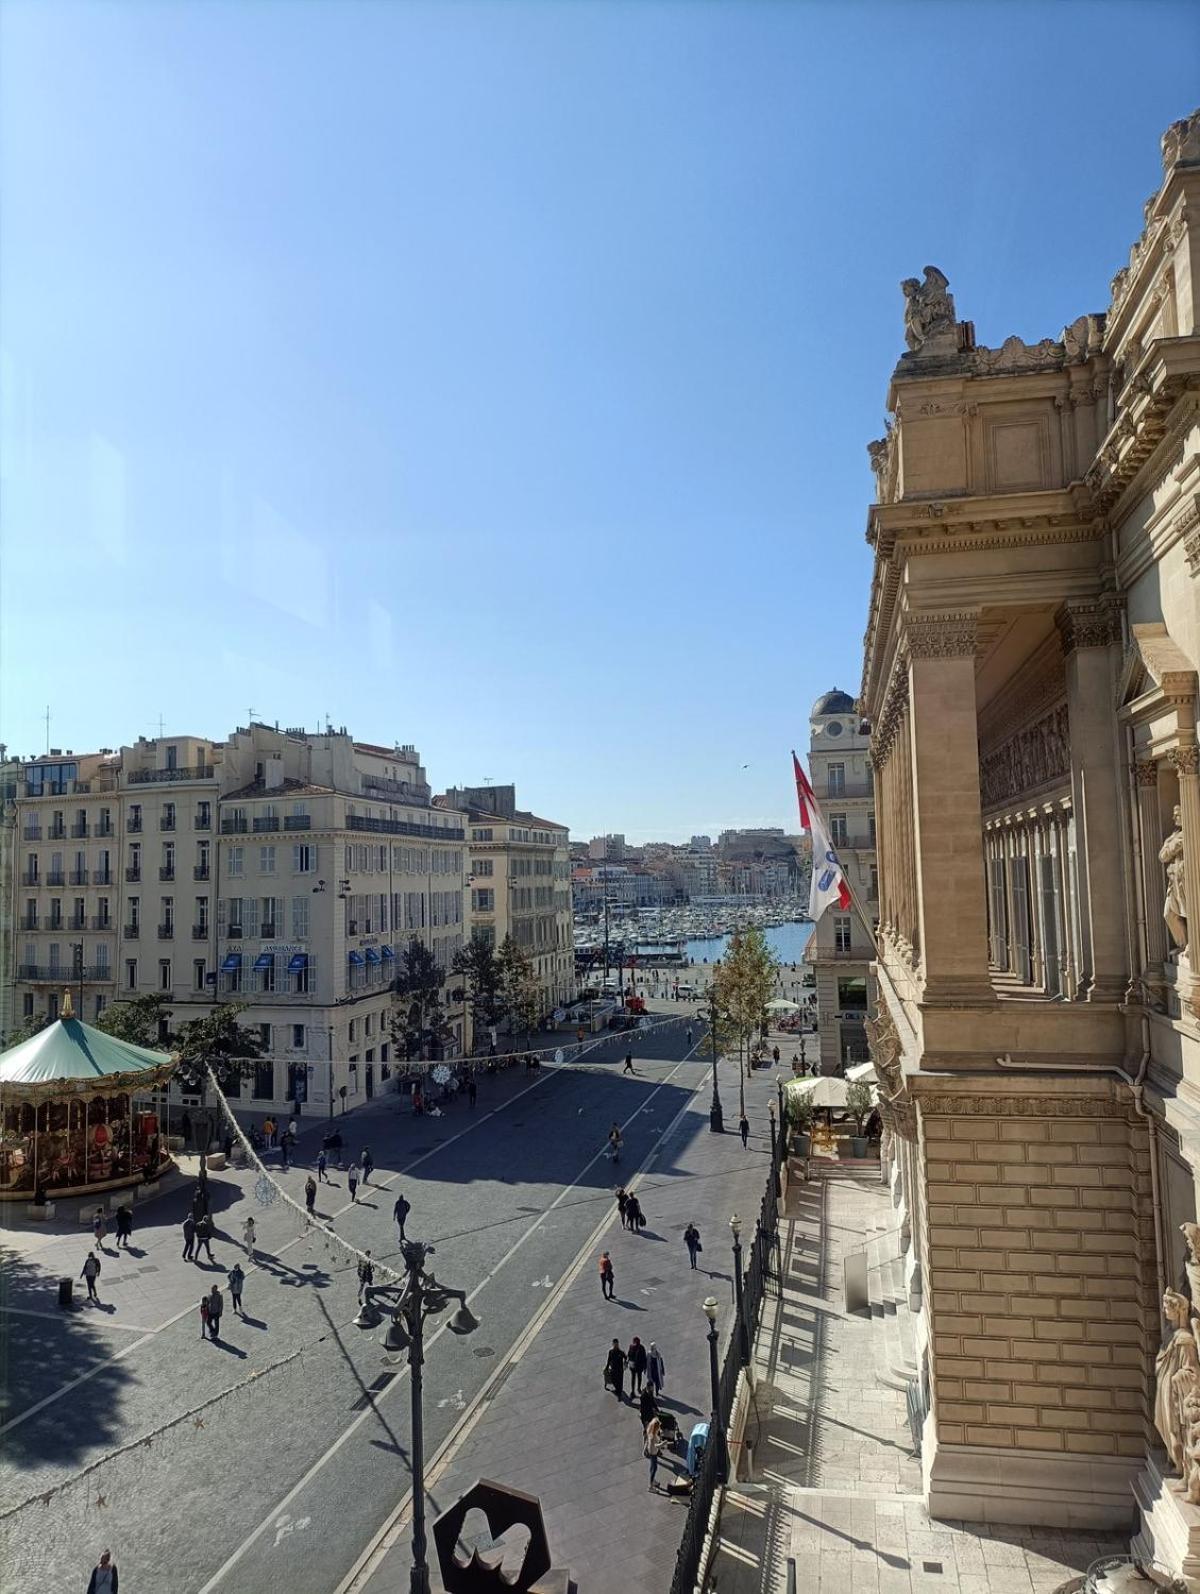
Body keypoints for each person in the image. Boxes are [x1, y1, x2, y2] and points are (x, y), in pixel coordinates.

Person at [645, 1414, 664, 1491]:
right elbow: (657, 1446)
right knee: (654, 1468)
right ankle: (651, 1485)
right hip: (653, 1453)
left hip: (651, 1451)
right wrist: (663, 1443)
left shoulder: (650, 1432)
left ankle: (653, 1481)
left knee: (652, 1467)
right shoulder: (653, 1436)